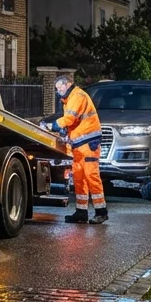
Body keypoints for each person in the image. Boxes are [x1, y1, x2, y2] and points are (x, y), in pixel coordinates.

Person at [47, 74, 107, 224]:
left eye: (59, 87)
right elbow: (73, 122)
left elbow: (69, 119)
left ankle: (101, 212)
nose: (58, 91)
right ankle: (81, 212)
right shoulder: (70, 99)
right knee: (79, 178)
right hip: (80, 144)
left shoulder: (77, 96)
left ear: (67, 84)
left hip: (88, 143)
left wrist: (53, 125)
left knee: (91, 176)